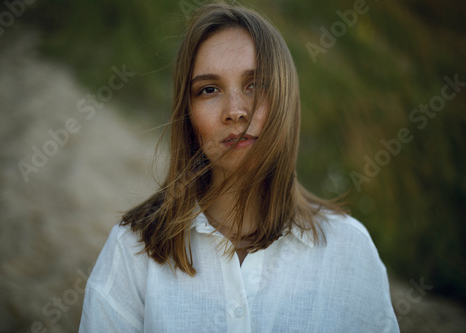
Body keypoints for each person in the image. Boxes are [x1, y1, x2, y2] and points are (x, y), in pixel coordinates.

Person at [79, 2, 399, 332]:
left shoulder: (350, 250)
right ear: (187, 113)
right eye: (209, 89)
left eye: (255, 85)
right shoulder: (134, 249)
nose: (235, 111)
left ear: (285, 99)